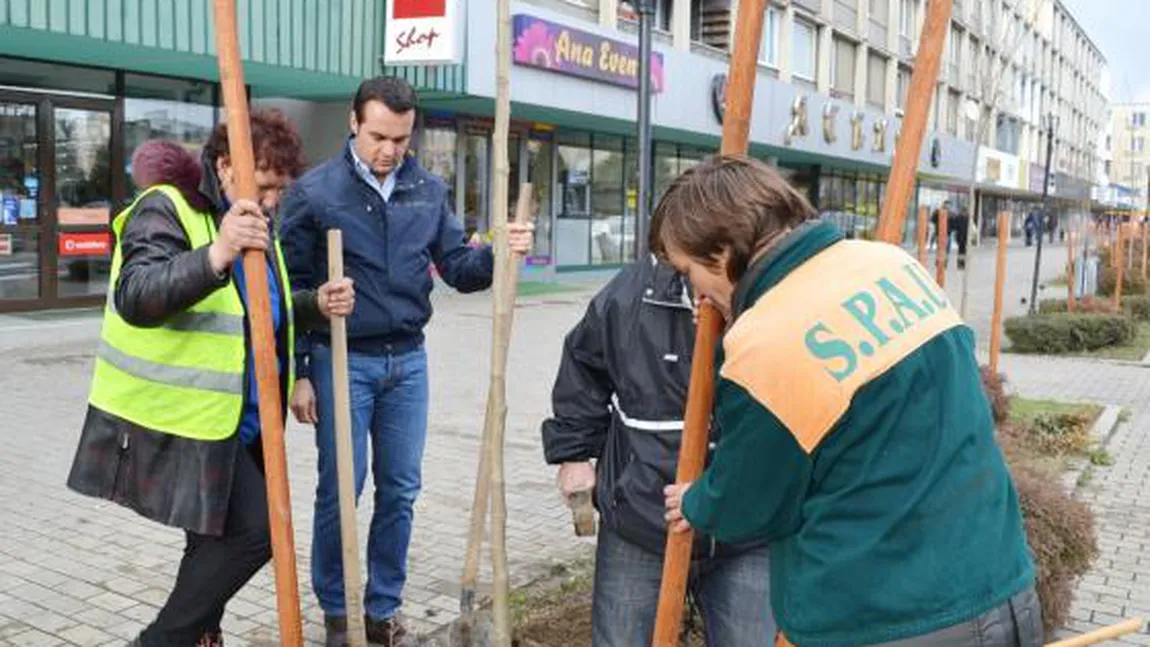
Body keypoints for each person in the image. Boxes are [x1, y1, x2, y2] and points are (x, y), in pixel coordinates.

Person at [656, 155, 1040, 647]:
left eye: (689, 270)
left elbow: (749, 503)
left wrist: (698, 501)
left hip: (882, 620)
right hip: (1004, 590)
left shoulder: (767, 339)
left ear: (723, 250)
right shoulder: (893, 263)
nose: (697, 292)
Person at [66, 111, 356, 647]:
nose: (271, 202)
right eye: (265, 186)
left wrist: (312, 305)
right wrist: (219, 252)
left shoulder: (253, 224)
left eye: (280, 191)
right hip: (187, 420)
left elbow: (251, 315)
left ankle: (203, 635)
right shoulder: (167, 207)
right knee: (256, 534)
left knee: (210, 542)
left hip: (242, 418)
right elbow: (138, 294)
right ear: (226, 166)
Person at [279, 76, 534, 647]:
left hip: (408, 363)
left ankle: (382, 609)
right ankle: (339, 611)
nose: (389, 150)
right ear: (353, 123)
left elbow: (460, 271)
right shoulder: (315, 193)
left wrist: (500, 252)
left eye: (400, 138)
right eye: (378, 136)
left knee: (401, 489)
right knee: (341, 488)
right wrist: (298, 369)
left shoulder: (427, 189)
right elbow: (286, 290)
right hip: (340, 357)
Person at [541, 256, 775, 647]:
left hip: (748, 530)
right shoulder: (634, 293)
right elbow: (583, 364)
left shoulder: (780, 300)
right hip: (641, 517)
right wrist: (574, 454)